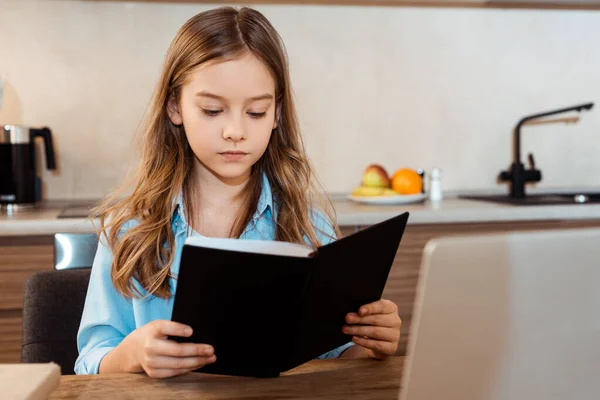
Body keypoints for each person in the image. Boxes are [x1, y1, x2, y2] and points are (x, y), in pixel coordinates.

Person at [75, 6, 402, 378]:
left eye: (256, 113)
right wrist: (131, 355)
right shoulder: (128, 228)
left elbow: (336, 359)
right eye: (213, 110)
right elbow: (89, 362)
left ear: (277, 114)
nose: (235, 131)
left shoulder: (309, 227)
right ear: (174, 107)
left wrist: (370, 345)